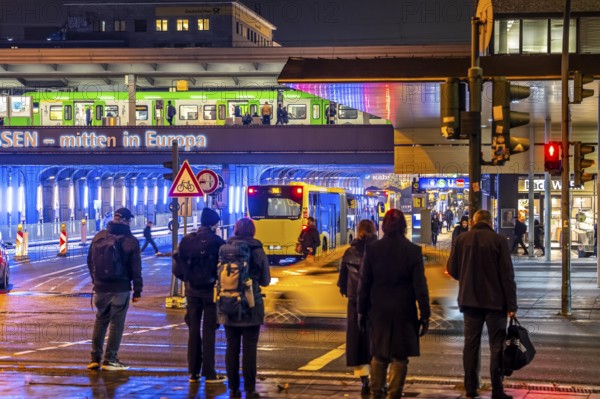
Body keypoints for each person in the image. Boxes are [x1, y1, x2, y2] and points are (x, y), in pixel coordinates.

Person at [357, 209, 430, 399]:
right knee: (400, 356)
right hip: (404, 310)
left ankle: (376, 393)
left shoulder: (373, 250)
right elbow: (420, 286)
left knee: (379, 355)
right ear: (404, 227)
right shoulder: (413, 251)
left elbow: (364, 283)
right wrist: (425, 314)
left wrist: (361, 311)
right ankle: (394, 394)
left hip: (379, 310)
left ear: (384, 226)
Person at [447, 209, 517, 399]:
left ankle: (470, 389)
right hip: (496, 303)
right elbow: (507, 276)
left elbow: (452, 269)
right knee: (496, 345)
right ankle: (497, 389)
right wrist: (512, 305)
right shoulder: (499, 241)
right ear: (490, 223)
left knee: (470, 345)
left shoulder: (461, 240)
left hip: (470, 301)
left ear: (474, 221)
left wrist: (467, 277)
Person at [173, 208, 227, 385]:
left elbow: (177, 267)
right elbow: (223, 268)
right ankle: (210, 373)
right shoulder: (218, 242)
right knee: (209, 332)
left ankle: (193, 373)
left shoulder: (187, 241)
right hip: (210, 292)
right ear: (213, 224)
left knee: (193, 331)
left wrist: (188, 279)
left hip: (192, 292)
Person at [219, 218, 270, 398]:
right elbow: (265, 280)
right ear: (253, 231)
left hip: (228, 304)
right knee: (249, 349)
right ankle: (250, 389)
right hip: (251, 305)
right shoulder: (257, 249)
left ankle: (233, 389)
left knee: (231, 347)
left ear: (236, 230)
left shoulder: (225, 249)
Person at [87, 207, 142, 371]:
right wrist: (137, 290)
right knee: (116, 325)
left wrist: (95, 280)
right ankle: (110, 359)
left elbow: (89, 261)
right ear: (126, 220)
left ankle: (95, 359)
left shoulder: (99, 236)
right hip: (120, 288)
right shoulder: (131, 240)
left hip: (100, 288)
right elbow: (136, 268)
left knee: (100, 322)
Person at [337, 219, 377, 395]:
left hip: (355, 304)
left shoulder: (349, 252)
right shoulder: (379, 251)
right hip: (375, 304)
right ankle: (378, 378)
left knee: (358, 343)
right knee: (376, 341)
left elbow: (342, 284)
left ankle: (364, 380)